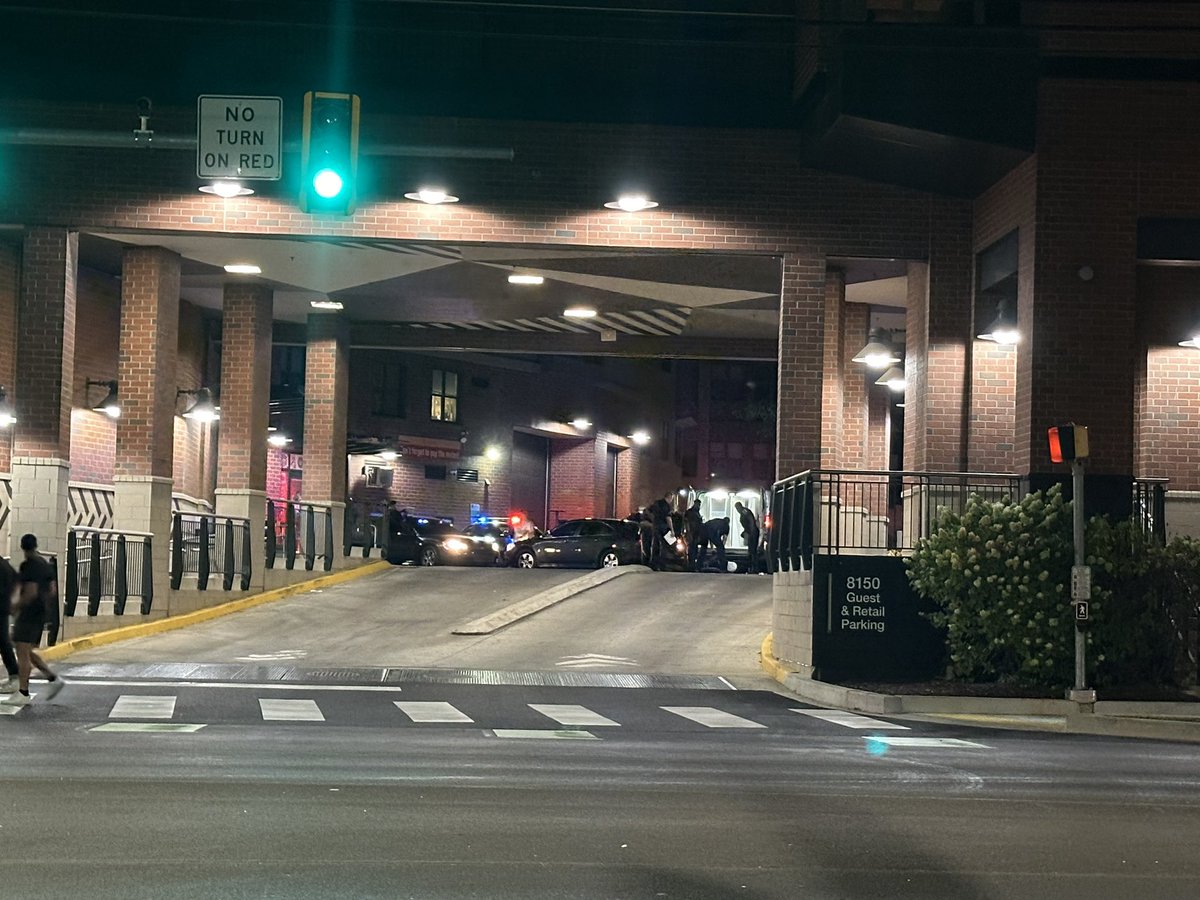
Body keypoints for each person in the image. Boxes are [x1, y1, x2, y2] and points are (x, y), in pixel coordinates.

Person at [1, 534, 65, 706]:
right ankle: (52, 678)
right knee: (26, 650)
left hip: (29, 614)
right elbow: (52, 590)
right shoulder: (44, 563)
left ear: (22, 547)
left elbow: (30, 592)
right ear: (36, 545)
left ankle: (23, 691)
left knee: (22, 653)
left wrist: (15, 606)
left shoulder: (28, 565)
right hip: (41, 613)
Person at [0, 555, 20, 692]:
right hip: (3, 607)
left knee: (3, 641)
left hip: (1, 607)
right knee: (3, 641)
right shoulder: (3, 563)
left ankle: (15, 677)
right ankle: (15, 677)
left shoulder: (2, 565)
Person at [735, 500, 761, 575]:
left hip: (753, 533)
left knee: (753, 551)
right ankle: (753, 568)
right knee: (751, 551)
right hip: (751, 532)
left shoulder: (744, 511)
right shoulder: (743, 512)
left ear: (739, 507)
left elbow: (751, 521)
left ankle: (755, 568)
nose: (737, 510)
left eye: (737, 508)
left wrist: (751, 533)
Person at [683, 499, 705, 572]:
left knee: (694, 548)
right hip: (691, 533)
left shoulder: (697, 512)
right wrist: (688, 532)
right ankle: (691, 565)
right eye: (698, 504)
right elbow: (686, 522)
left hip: (696, 533)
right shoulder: (690, 512)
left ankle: (694, 564)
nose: (698, 506)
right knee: (691, 548)